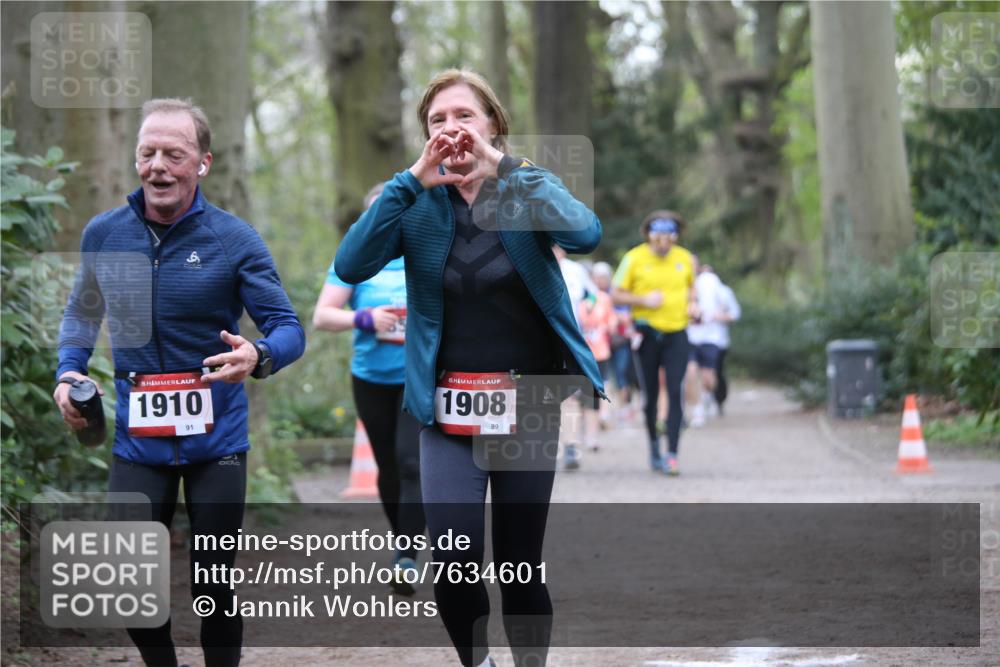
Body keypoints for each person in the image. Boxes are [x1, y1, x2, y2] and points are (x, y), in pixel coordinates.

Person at [334, 69, 604, 667]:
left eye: (465, 116)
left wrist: (507, 168)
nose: (451, 129)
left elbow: (585, 234)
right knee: (454, 563)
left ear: (493, 125)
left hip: (527, 405)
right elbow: (350, 266)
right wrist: (408, 182)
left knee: (518, 564)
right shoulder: (417, 203)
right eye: (437, 120)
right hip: (446, 407)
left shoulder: (526, 188)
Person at [52, 98, 306, 667]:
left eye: (174, 154)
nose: (158, 166)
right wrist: (69, 371)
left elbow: (288, 328)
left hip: (217, 442)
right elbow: (80, 316)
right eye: (147, 153)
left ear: (203, 163)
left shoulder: (233, 239)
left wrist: (258, 354)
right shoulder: (105, 234)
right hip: (139, 440)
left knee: (213, 587)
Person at [312, 182, 425, 593]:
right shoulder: (356, 263)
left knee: (411, 461)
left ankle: (407, 558)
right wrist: (365, 319)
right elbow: (322, 316)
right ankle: (403, 541)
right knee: (388, 466)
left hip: (418, 378)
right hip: (371, 379)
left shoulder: (426, 256)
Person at [612, 211, 698, 476]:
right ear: (649, 234)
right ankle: (654, 447)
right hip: (646, 335)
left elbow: (691, 288)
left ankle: (672, 454)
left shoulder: (685, 258)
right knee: (649, 395)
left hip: (676, 333)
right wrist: (643, 301)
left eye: (669, 236)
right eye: (658, 236)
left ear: (675, 235)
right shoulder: (634, 258)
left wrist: (693, 304)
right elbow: (615, 294)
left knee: (675, 390)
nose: (663, 242)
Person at [551, 243, 599, 469]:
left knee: (568, 394)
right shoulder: (532, 265)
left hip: (571, 339)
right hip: (540, 339)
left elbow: (593, 295)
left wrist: (588, 308)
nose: (557, 251)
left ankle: (570, 445)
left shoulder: (575, 270)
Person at [685, 264, 739, 425]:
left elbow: (735, 313)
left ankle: (708, 395)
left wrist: (718, 316)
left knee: (709, 377)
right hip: (691, 339)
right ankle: (697, 409)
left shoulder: (722, 292)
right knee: (691, 373)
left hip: (713, 339)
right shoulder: (691, 290)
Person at [576, 262, 618, 450]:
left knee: (596, 392)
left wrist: (610, 326)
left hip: (600, 351)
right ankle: (575, 439)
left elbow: (611, 320)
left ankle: (592, 436)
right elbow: (581, 321)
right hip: (581, 353)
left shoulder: (603, 298)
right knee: (579, 397)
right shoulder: (579, 299)